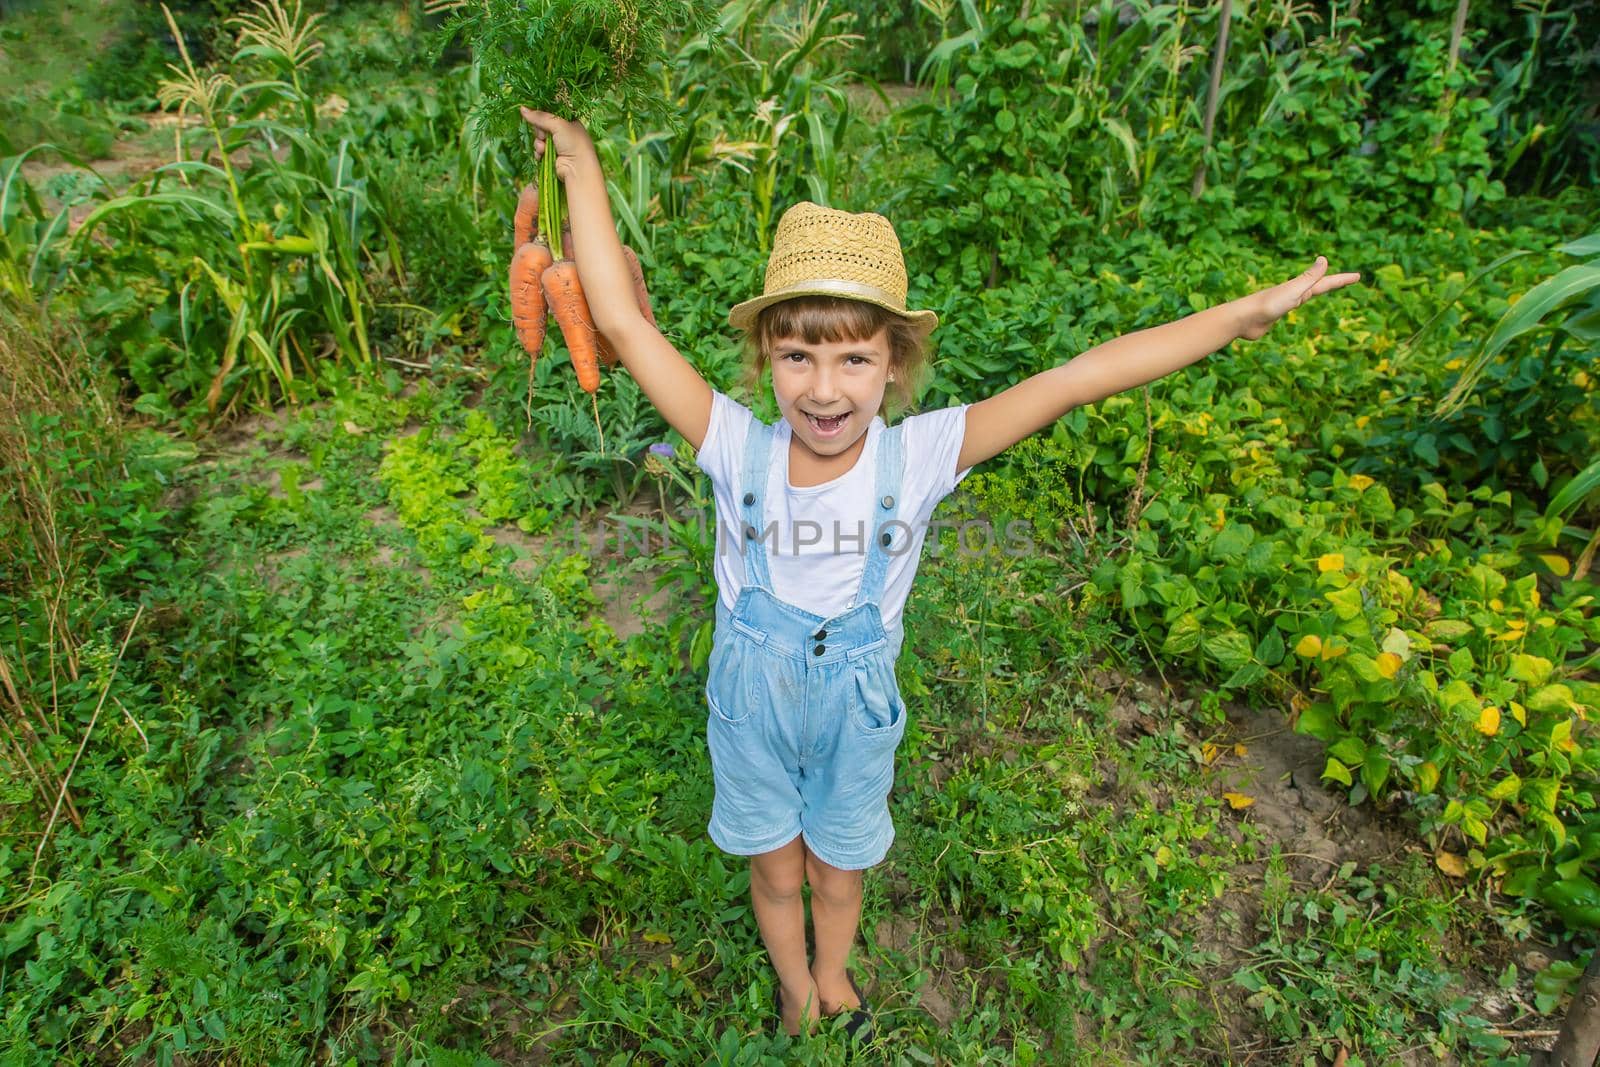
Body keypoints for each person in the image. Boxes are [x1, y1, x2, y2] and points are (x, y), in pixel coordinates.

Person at [518, 107, 1361, 1044]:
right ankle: (794, 985)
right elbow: (627, 327)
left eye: (853, 358)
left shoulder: (920, 456)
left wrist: (1239, 318)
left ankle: (833, 970)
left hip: (855, 704)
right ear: (766, 358)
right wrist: (584, 167)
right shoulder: (733, 444)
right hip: (751, 699)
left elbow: (1077, 377)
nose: (823, 388)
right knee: (774, 869)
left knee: (839, 868)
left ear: (894, 366)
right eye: (797, 355)